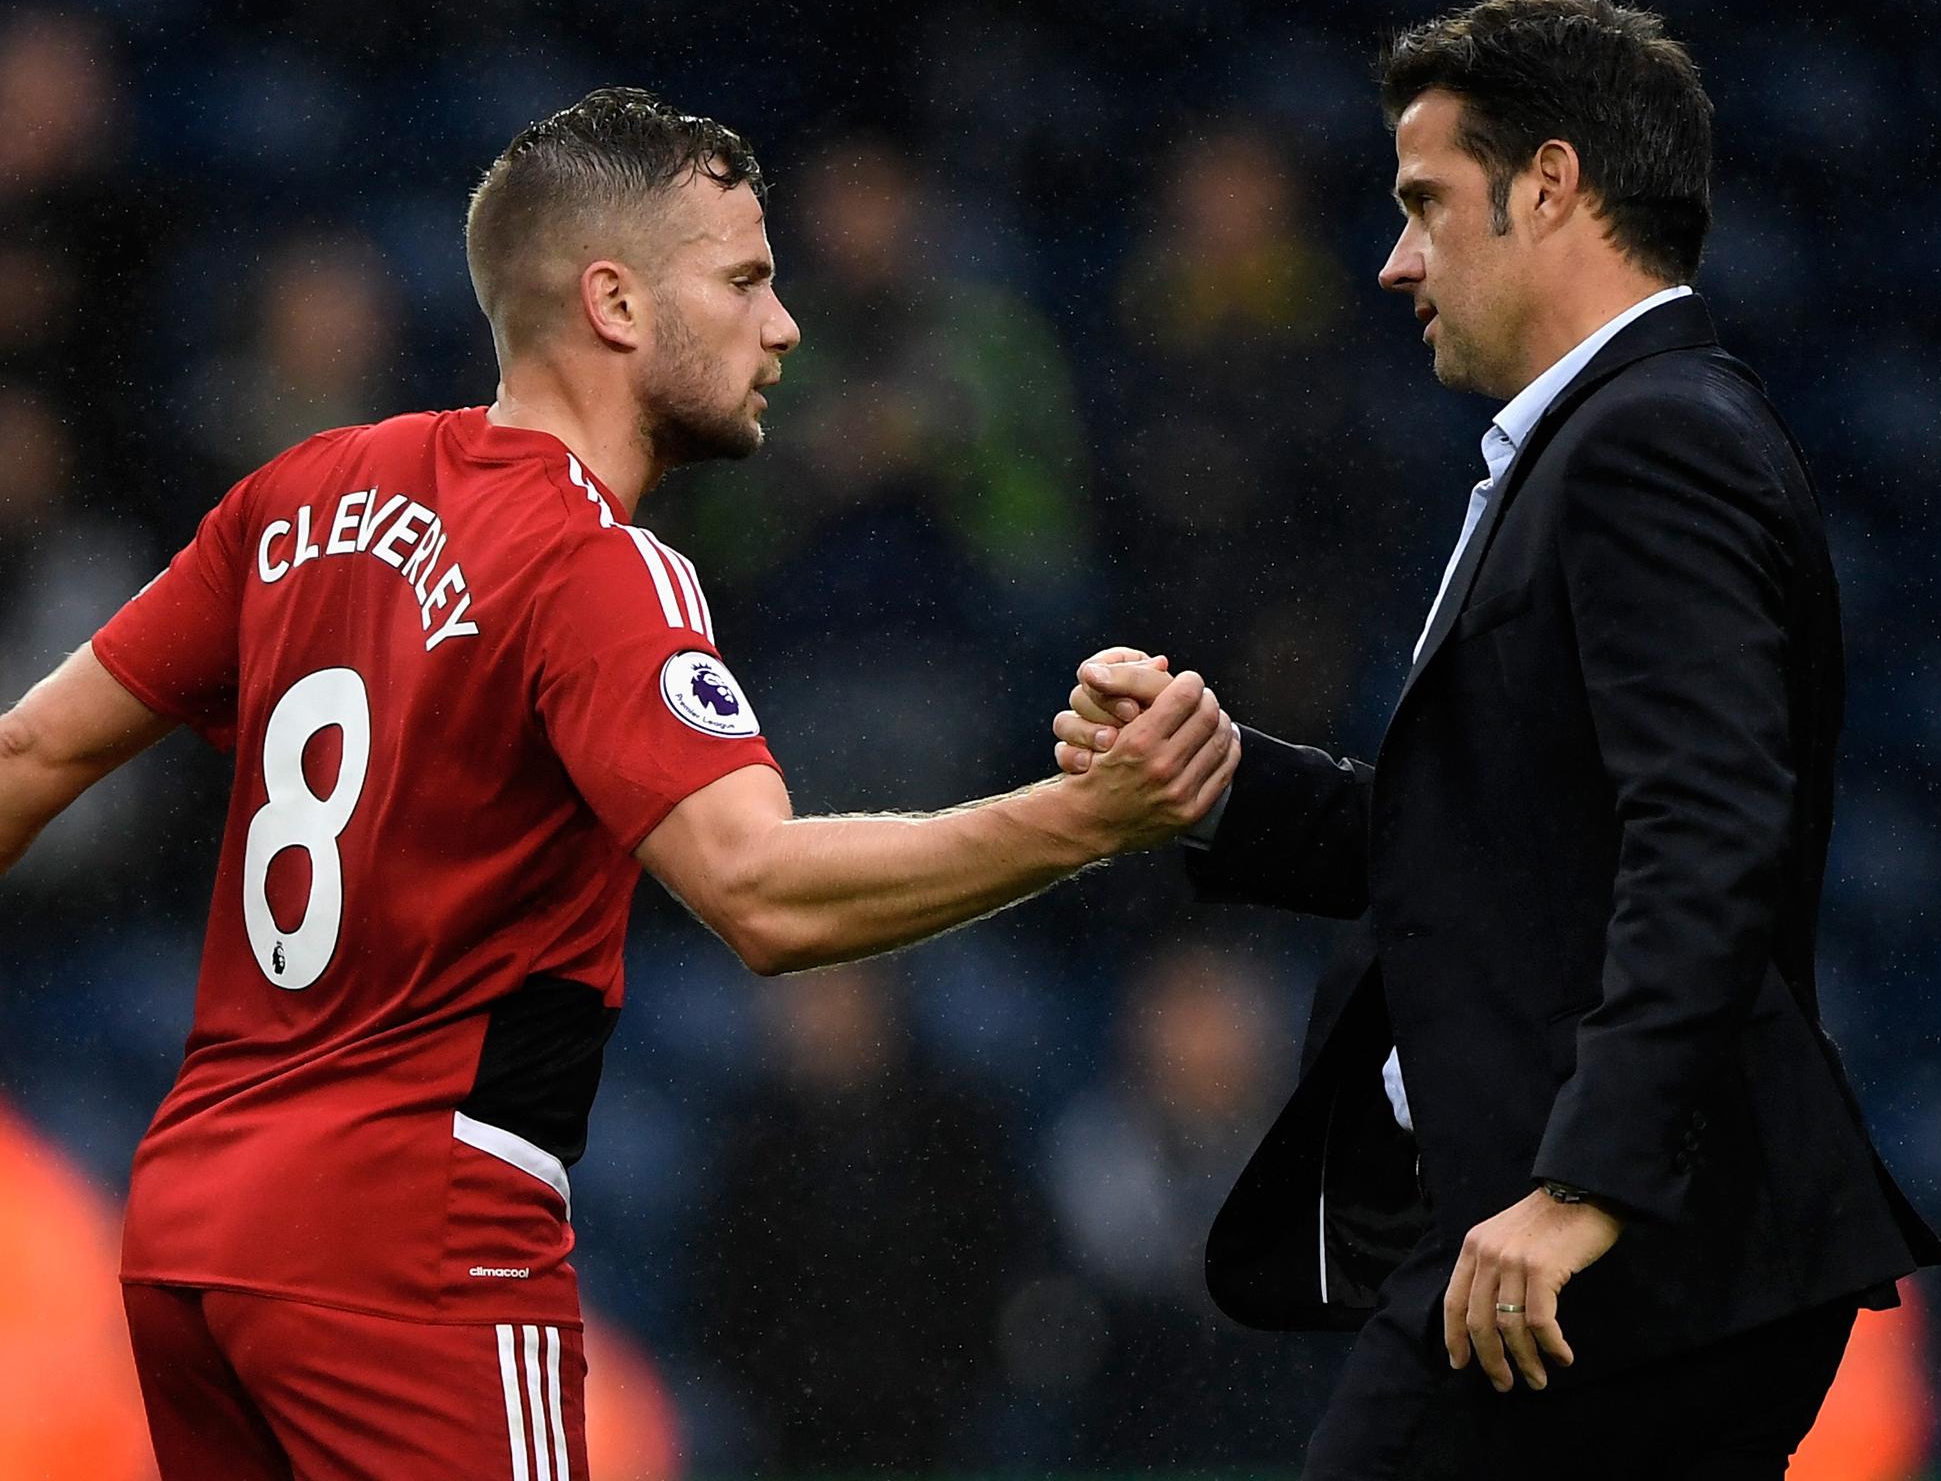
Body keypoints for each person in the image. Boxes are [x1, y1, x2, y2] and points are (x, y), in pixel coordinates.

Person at [0, 87, 1238, 1481]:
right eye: (747, 280)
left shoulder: (303, 493)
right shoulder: (600, 566)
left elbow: (31, 753)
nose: (782, 326)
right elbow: (762, 894)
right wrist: (1084, 820)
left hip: (194, 1233)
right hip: (416, 1231)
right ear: (617, 303)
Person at [1054, 0, 1941, 1480]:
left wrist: (1586, 1186)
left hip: (1598, 1259)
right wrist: (1213, 779)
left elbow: (1712, 830)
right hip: (1585, 1247)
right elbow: (1488, 850)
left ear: (1550, 184)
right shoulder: (1616, 438)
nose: (1396, 258)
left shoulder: (1649, 444)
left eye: (1425, 203)